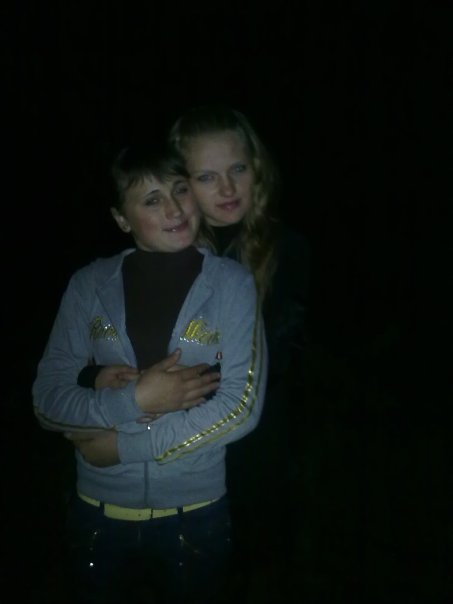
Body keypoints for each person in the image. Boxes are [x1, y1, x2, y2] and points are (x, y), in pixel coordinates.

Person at [32, 139, 267, 604]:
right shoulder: (88, 284)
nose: (174, 209)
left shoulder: (231, 284)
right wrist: (133, 400)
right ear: (122, 218)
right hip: (97, 514)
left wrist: (125, 447)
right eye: (151, 200)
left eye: (180, 190)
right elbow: (46, 399)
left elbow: (241, 406)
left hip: (195, 515)